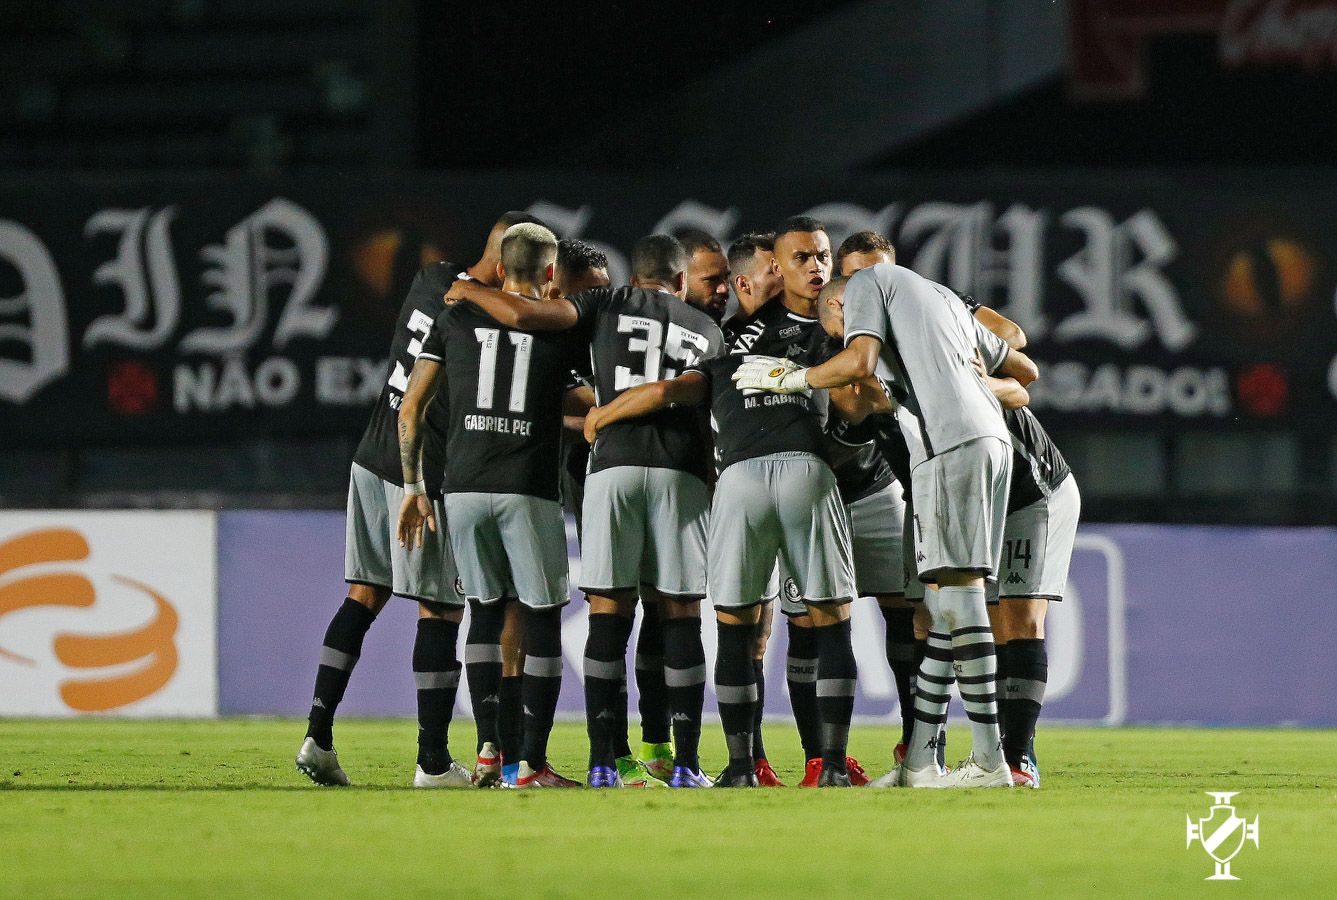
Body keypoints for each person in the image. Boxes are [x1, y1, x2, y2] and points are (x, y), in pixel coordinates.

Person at [735, 262, 1037, 788]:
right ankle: (921, 759)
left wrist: (794, 376)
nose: (838, 339)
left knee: (961, 597)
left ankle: (991, 761)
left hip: (951, 445)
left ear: (837, 306)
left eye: (835, 330)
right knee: (943, 602)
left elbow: (859, 361)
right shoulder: (944, 300)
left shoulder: (869, 286)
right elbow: (1024, 372)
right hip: (988, 441)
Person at [448, 234, 724, 788]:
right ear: (679, 282)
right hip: (681, 470)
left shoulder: (605, 304)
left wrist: (468, 291)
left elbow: (530, 314)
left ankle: (602, 763)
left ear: (634, 274)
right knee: (680, 614)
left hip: (611, 468)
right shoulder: (709, 330)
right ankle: (686, 764)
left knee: (608, 613)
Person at [294, 211, 541, 788]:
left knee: (364, 594)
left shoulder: (431, 278)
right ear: (508, 264)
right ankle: (432, 761)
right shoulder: (484, 315)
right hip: (420, 471)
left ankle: (317, 734)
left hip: (370, 454)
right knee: (443, 609)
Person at [397, 222, 583, 789]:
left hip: (465, 485)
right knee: (541, 616)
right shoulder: (559, 327)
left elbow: (411, 409)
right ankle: (530, 764)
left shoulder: (453, 319)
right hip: (526, 486)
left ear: (500, 268)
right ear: (550, 273)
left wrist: (413, 487)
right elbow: (585, 397)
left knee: (481, 612)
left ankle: (487, 754)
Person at [677, 228, 731, 323]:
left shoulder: (737, 335)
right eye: (712, 280)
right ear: (680, 282)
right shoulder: (655, 334)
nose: (724, 289)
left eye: (726, 278)